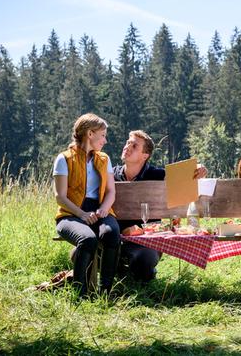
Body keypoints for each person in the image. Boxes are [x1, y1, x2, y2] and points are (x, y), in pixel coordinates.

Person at [113, 130, 207, 281]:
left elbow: (186, 173)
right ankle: (120, 272)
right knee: (78, 254)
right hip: (115, 238)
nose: (127, 146)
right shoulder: (110, 175)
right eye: (127, 142)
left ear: (145, 156)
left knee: (145, 259)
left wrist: (199, 167)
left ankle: (137, 273)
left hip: (147, 241)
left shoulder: (156, 175)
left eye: (134, 145)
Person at [53, 113, 120, 298]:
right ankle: (80, 293)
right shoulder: (64, 159)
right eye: (103, 135)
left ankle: (106, 291)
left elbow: (110, 192)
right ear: (90, 133)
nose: (105, 140)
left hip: (100, 211)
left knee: (112, 233)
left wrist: (105, 208)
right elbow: (60, 197)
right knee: (88, 239)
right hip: (70, 214)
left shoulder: (104, 159)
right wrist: (82, 214)